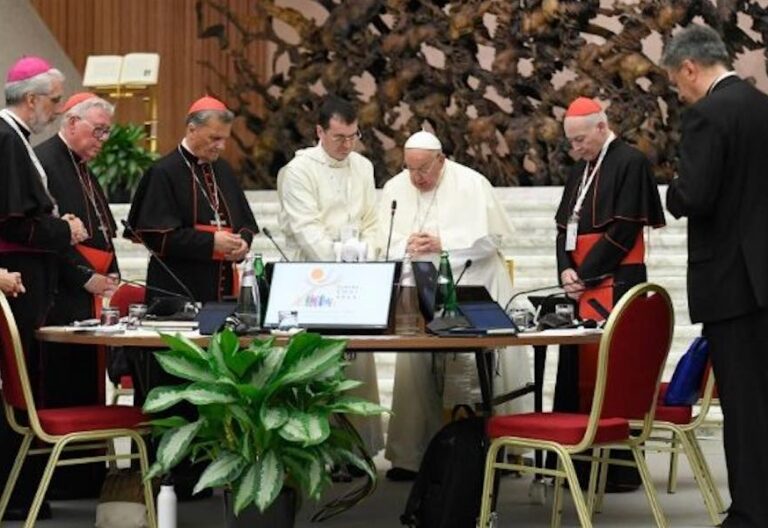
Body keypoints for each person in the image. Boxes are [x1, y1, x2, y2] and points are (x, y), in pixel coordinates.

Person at [380, 129, 532, 480]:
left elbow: (489, 240)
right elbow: (382, 241)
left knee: (486, 368)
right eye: (410, 170)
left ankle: (499, 450)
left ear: (441, 160)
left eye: (423, 170)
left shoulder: (472, 183)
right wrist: (409, 244)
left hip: (476, 285)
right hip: (419, 288)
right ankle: (413, 456)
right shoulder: (395, 187)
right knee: (415, 368)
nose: (416, 178)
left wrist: (442, 243)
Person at [126, 95, 259, 496]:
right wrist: (212, 243)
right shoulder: (163, 172)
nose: (220, 147)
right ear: (192, 128)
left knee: (213, 385)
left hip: (220, 296)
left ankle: (208, 472)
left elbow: (246, 223)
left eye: (224, 140)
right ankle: (169, 476)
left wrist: (241, 243)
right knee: (174, 385)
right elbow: (152, 234)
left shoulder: (223, 173)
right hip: (175, 294)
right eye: (214, 138)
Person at [663, 24, 768, 528]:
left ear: (689, 67)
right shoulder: (762, 107)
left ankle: (750, 512)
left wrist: (671, 193)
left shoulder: (706, 115)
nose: (678, 92)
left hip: (731, 281)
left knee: (744, 406)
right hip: (763, 276)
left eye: (675, 81)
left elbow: (696, 195)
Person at [552, 97, 665, 490]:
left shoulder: (630, 162)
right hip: (581, 283)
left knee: (613, 371)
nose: (576, 149)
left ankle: (617, 471)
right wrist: (566, 269)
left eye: (581, 140)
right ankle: (576, 465)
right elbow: (563, 228)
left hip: (617, 280)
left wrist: (586, 272)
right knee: (575, 371)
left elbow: (625, 228)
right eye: (571, 143)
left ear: (602, 128)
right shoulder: (578, 170)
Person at [0, 56, 88, 521]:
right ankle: (16, 497)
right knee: (20, 387)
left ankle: (21, 492)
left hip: (25, 279)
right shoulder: (6, 139)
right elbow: (15, 223)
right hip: (15, 280)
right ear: (31, 99)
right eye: (54, 101)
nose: (56, 110)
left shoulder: (15, 138)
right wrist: (64, 230)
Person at [277, 95, 383, 458]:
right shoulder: (299, 171)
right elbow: (306, 230)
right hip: (311, 279)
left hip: (355, 277)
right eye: (339, 137)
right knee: (316, 367)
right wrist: (341, 261)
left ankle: (355, 451)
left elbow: (372, 221)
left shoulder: (364, 167)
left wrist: (364, 255)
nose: (347, 145)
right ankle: (315, 452)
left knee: (357, 363)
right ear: (319, 131)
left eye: (353, 136)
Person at [35, 92, 119, 498]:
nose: (103, 139)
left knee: (86, 381)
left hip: (87, 296)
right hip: (58, 294)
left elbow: (101, 226)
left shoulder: (82, 166)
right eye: (97, 129)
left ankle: (86, 479)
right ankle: (62, 484)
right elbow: (47, 234)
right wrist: (84, 276)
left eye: (107, 131)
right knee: (63, 382)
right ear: (71, 123)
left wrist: (112, 270)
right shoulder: (45, 162)